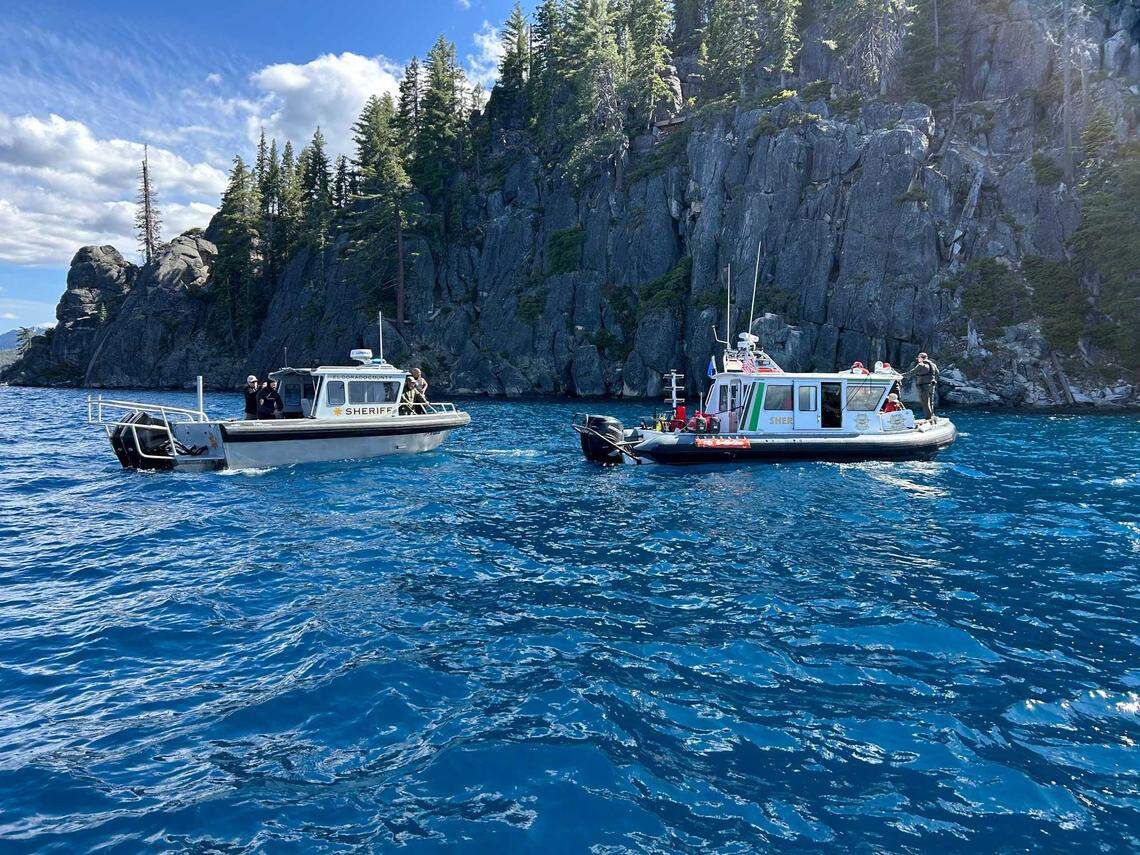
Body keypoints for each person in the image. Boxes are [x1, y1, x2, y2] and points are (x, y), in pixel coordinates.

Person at [903, 351, 939, 421]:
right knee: (931, 401)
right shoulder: (933, 365)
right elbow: (937, 372)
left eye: (918, 357)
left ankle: (928, 418)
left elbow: (912, 372)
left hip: (924, 386)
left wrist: (902, 375)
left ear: (921, 358)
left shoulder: (921, 365)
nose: (917, 359)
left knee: (925, 402)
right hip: (932, 385)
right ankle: (932, 415)